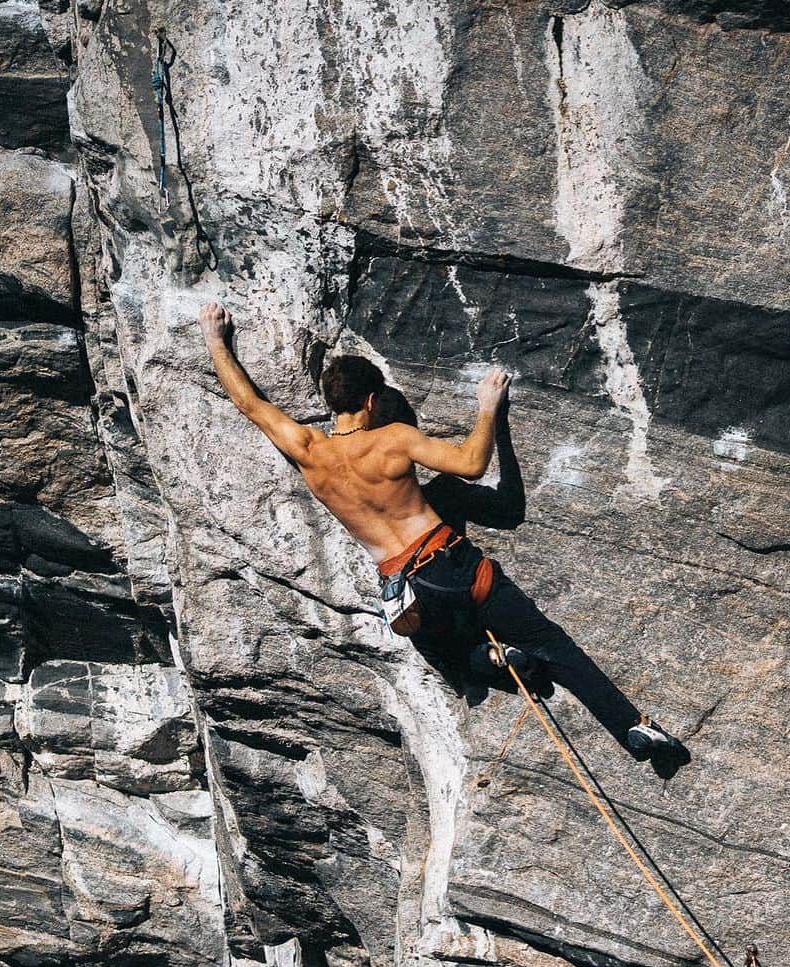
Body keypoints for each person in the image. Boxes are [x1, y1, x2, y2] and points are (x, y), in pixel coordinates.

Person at [199, 303, 689, 773]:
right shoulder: (393, 439)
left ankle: (494, 659)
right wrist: (488, 410)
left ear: (332, 404)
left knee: (452, 663)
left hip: (407, 593)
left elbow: (250, 404)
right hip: (454, 565)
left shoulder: (307, 448)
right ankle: (633, 726)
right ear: (371, 401)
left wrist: (215, 339)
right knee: (554, 646)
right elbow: (473, 465)